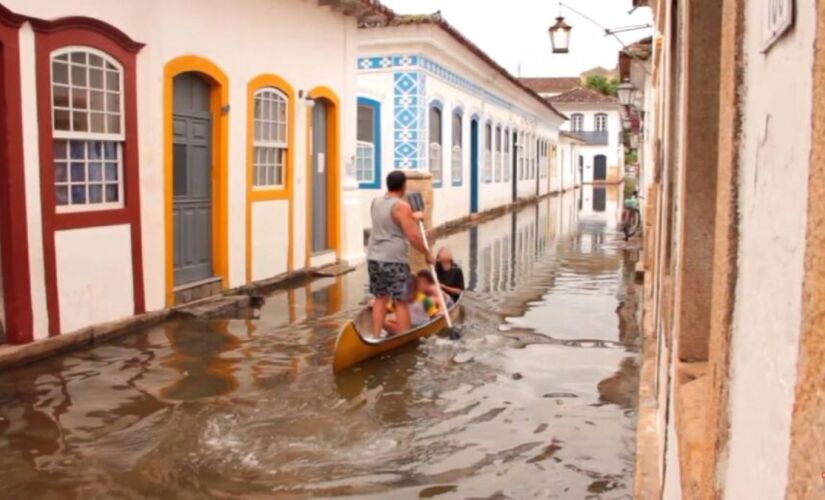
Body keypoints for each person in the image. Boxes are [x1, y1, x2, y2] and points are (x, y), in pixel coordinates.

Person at [367, 171, 434, 339]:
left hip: (374, 257)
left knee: (380, 298)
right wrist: (427, 253)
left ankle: (375, 337)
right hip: (394, 260)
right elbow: (412, 237)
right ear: (403, 186)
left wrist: (412, 216)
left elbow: (390, 220)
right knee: (401, 300)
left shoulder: (376, 202)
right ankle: (403, 338)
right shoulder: (402, 206)